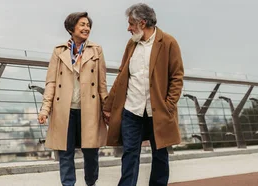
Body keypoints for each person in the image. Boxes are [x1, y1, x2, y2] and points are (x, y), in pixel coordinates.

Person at [103, 3, 184, 186]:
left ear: (142, 22)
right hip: (132, 110)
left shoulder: (168, 42)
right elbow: (122, 75)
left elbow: (177, 77)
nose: (128, 28)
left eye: (131, 24)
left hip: (158, 110)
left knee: (160, 154)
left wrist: (169, 105)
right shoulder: (132, 44)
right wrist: (108, 106)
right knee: (130, 154)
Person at [38, 12, 108, 186]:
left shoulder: (96, 50)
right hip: (65, 109)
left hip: (89, 109)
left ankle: (91, 182)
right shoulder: (59, 51)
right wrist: (45, 109)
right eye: (82, 24)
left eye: (88, 25)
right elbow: (51, 82)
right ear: (71, 28)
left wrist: (107, 108)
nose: (86, 28)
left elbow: (102, 83)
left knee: (91, 152)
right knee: (65, 152)